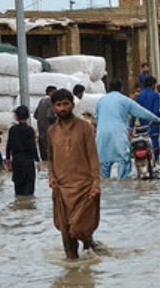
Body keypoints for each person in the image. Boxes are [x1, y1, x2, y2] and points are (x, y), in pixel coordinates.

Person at [47, 88, 101, 259]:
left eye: (65, 104)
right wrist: (52, 177)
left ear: (72, 105)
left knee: (78, 229)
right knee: (67, 239)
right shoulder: (51, 132)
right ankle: (73, 278)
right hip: (62, 190)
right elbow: (50, 158)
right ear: (54, 107)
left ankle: (89, 242)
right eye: (58, 105)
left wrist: (96, 183)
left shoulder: (85, 128)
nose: (62, 108)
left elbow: (93, 156)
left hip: (84, 188)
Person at [96, 79, 160, 179]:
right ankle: (123, 186)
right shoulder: (124, 100)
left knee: (104, 163)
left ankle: (108, 190)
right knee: (124, 160)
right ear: (121, 88)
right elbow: (141, 111)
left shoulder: (100, 101)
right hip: (118, 133)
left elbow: (96, 118)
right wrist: (157, 119)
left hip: (101, 135)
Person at [6, 106, 40, 196]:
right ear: (28, 116)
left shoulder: (12, 130)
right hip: (28, 160)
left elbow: (8, 145)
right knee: (29, 187)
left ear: (16, 116)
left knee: (18, 186)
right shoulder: (30, 130)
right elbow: (33, 146)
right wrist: (37, 160)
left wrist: (8, 159)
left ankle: (19, 206)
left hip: (16, 160)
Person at [34, 85, 58, 162]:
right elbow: (50, 116)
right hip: (48, 127)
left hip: (41, 128)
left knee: (42, 148)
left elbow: (35, 115)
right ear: (51, 93)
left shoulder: (41, 101)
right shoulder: (50, 102)